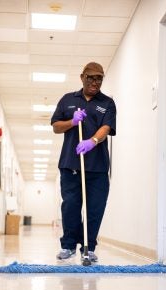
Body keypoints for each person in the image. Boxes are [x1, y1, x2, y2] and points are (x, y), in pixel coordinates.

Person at [51, 62, 116, 262]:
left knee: (95, 207)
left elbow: (106, 128)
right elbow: (55, 127)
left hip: (97, 167)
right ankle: (68, 245)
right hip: (71, 164)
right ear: (82, 77)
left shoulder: (107, 103)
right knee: (70, 205)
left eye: (99, 78)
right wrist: (72, 121)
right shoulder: (68, 100)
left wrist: (92, 141)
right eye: (91, 77)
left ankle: (89, 247)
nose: (95, 82)